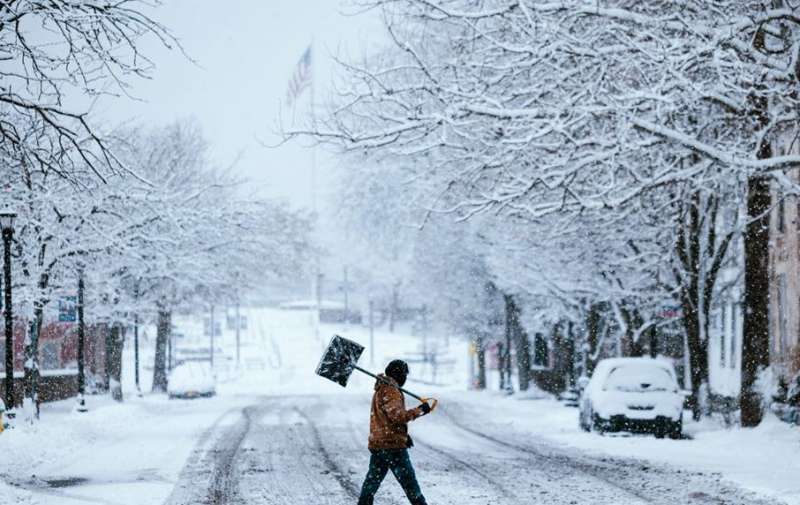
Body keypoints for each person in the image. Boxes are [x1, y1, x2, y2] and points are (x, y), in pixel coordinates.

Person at [357, 359, 434, 505]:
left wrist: (403, 435)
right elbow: (398, 416)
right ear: (399, 374)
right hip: (392, 447)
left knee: (371, 483)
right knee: (410, 484)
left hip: (380, 443)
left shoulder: (382, 388)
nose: (405, 378)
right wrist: (420, 410)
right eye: (405, 374)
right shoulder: (391, 390)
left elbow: (386, 419)